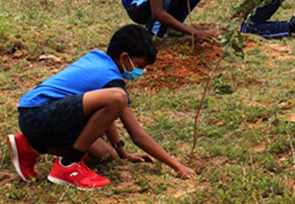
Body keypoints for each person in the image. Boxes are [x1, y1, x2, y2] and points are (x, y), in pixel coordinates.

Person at [6, 25, 196, 190]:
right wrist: (177, 166)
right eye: (139, 65)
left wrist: (122, 152)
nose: (141, 71)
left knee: (105, 156)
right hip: (38, 114)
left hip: (41, 117)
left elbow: (105, 115)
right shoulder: (111, 81)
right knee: (118, 97)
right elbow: (137, 135)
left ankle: (30, 145)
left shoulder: (99, 59)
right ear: (124, 57)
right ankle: (68, 165)